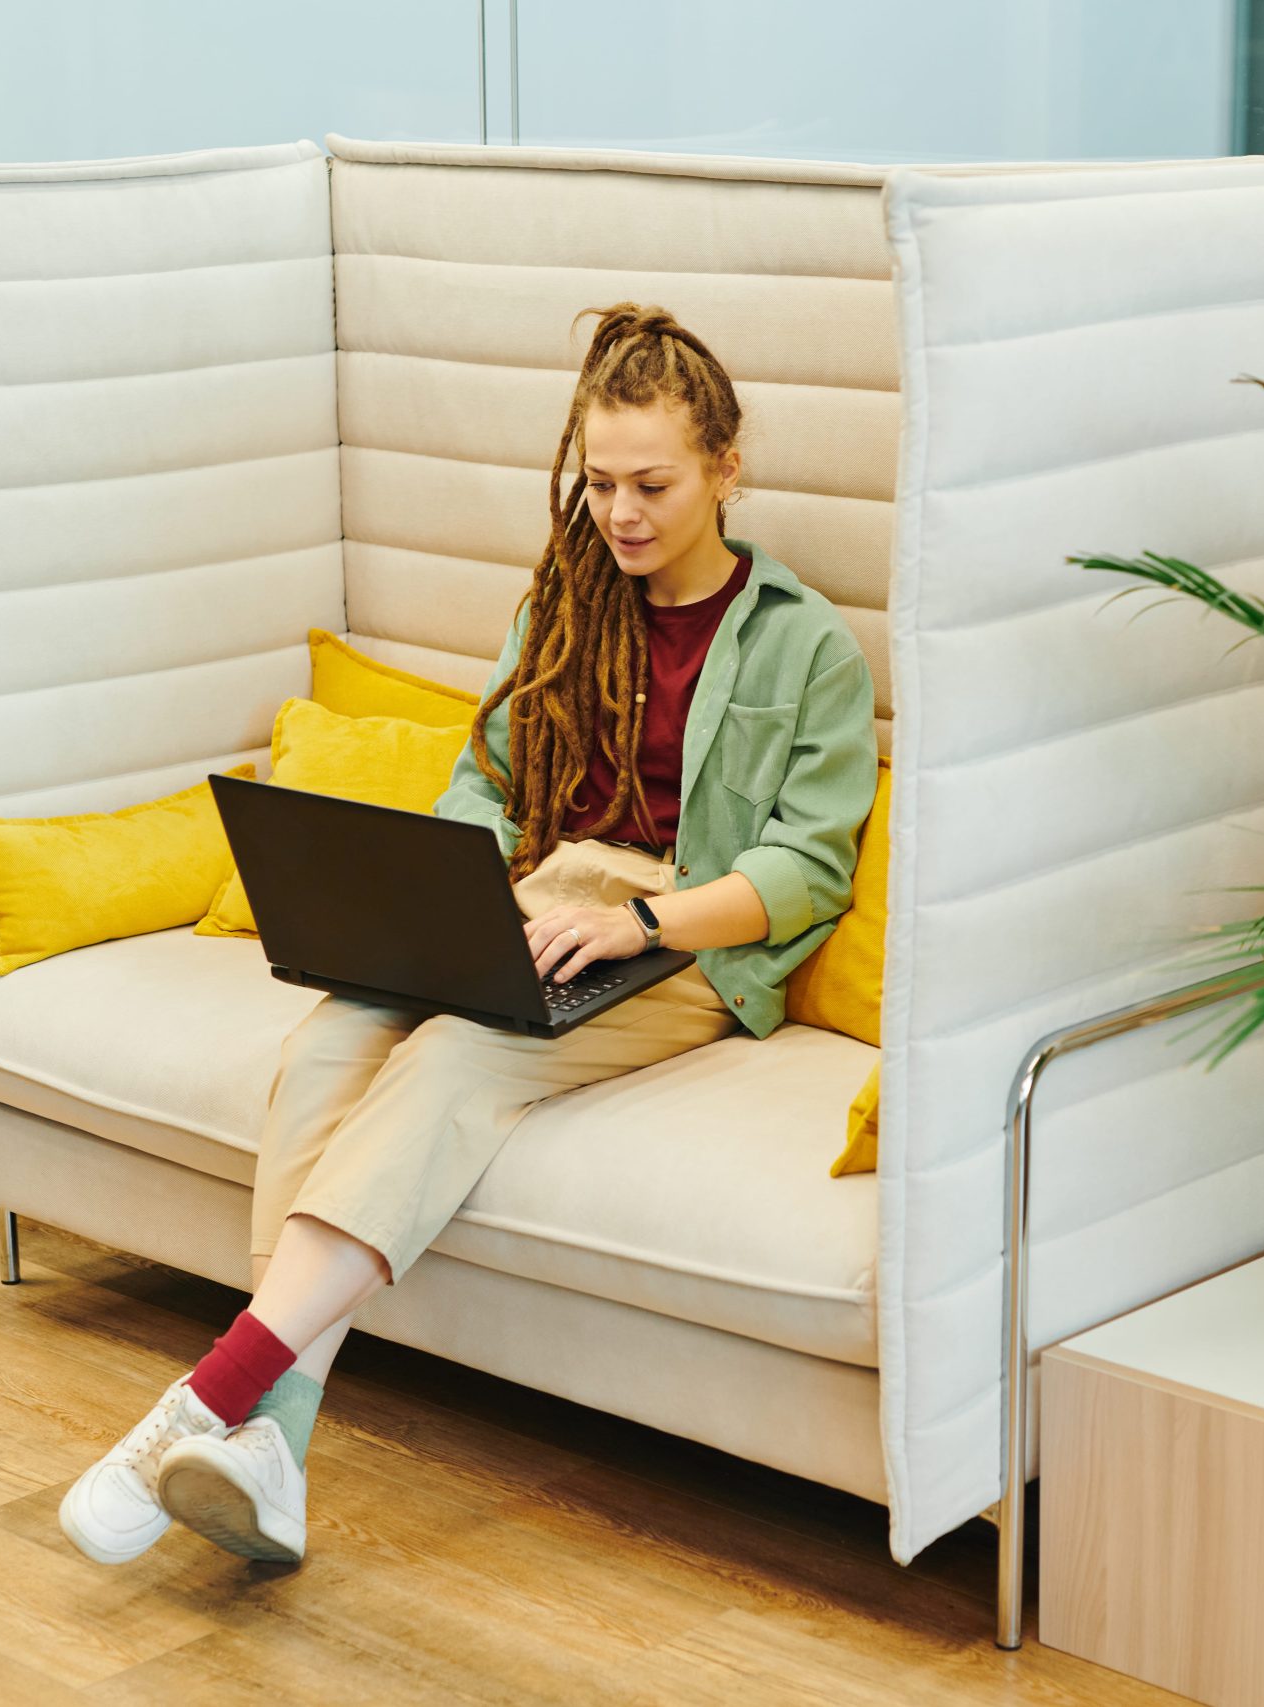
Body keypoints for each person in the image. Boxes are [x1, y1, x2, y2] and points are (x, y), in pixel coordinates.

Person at [59, 301, 881, 1569]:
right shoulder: (561, 607)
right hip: (539, 906)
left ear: (726, 466)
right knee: (334, 1041)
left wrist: (638, 923)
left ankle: (208, 1401)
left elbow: (805, 867)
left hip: (682, 942)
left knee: (454, 1058)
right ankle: (272, 1453)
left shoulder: (805, 640)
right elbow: (480, 786)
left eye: (653, 483)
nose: (622, 514)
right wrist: (481, 896)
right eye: (599, 483)